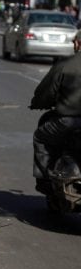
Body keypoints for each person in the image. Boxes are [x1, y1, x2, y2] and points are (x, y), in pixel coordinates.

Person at [29, 29, 81, 194]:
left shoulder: (65, 65)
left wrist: (38, 103)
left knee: (40, 137)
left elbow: (46, 92)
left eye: (74, 42)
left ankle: (45, 179)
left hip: (67, 121)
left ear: (78, 43)